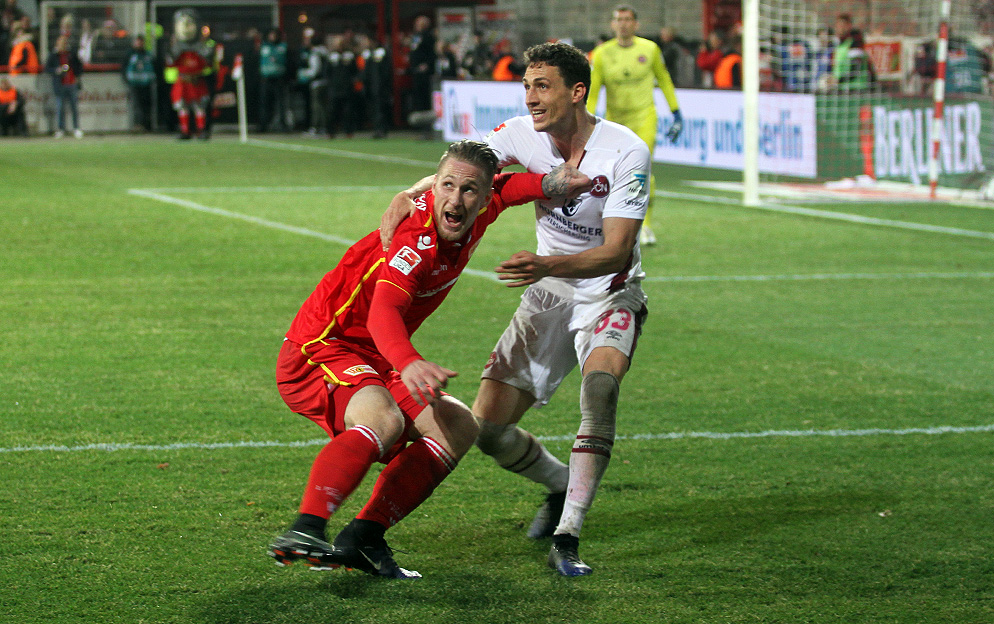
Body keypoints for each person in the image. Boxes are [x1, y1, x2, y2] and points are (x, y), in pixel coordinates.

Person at [381, 41, 651, 578]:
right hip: (548, 295)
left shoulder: (625, 151)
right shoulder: (518, 133)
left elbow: (617, 251)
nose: (530, 97)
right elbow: (460, 166)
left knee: (600, 390)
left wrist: (547, 264)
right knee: (487, 429)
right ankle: (558, 486)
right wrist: (410, 192)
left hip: (608, 290)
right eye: (527, 86)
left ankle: (568, 537)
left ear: (577, 91)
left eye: (542, 86)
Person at [267, 140, 591, 579]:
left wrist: (551, 185)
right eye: (447, 187)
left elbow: (510, 188)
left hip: (375, 352)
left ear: (483, 196)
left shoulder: (479, 210)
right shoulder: (415, 241)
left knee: (457, 426)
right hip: (322, 346)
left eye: (468, 190)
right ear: (433, 186)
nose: (455, 200)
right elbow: (383, 312)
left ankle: (364, 537)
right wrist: (408, 362)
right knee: (383, 419)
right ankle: (306, 529)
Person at [587, 5, 682, 248]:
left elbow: (664, 80)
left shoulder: (650, 49)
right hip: (615, 122)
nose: (623, 24)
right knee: (613, 173)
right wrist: (585, 118)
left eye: (628, 19)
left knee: (643, 170)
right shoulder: (602, 53)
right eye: (619, 19)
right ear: (612, 24)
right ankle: (613, 225)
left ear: (636, 24)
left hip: (644, 118)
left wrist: (675, 112)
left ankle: (645, 225)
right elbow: (594, 89)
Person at [164, 9, 212, 139]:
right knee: (182, 107)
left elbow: (208, 65)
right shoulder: (176, 48)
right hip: (182, 82)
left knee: (199, 107)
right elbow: (170, 63)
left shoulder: (202, 47)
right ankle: (185, 131)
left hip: (197, 81)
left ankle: (201, 130)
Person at [46, 34, 83, 138]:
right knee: (60, 108)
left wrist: (77, 76)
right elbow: (47, 68)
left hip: (71, 83)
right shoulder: (54, 55)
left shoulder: (71, 54)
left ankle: (76, 128)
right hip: (60, 84)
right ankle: (61, 129)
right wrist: (56, 70)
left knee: (74, 107)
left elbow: (79, 66)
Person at [829, 14, 874, 91]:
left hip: (856, 89)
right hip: (842, 89)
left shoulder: (856, 42)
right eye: (837, 25)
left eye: (842, 25)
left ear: (849, 26)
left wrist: (838, 81)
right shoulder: (839, 45)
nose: (839, 28)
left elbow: (855, 68)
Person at [122, 35, 156, 132]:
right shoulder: (130, 54)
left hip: (146, 83)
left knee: (147, 105)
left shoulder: (148, 54)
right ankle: (138, 124)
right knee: (137, 105)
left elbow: (154, 67)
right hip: (134, 83)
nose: (140, 44)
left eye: (141, 42)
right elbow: (124, 67)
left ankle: (147, 125)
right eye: (138, 42)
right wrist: (126, 79)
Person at [259, 28, 289, 132]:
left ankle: (282, 125)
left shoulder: (283, 47)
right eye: (271, 35)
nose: (273, 37)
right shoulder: (264, 46)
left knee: (281, 104)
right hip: (266, 79)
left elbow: (288, 62)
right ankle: (264, 125)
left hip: (279, 79)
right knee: (265, 103)